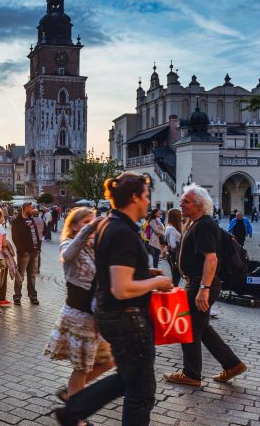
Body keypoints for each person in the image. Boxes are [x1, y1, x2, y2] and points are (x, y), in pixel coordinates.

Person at [56, 172, 173, 426]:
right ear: (134, 197)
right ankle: (73, 409)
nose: (148, 201)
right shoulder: (121, 231)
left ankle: (73, 410)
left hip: (115, 316)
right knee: (141, 393)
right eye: (146, 195)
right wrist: (158, 282)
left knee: (129, 378)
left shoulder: (110, 224)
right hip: (127, 318)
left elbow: (110, 269)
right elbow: (121, 288)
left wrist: (144, 272)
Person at [163, 184, 247, 387]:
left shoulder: (204, 225)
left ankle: (191, 374)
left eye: (185, 201)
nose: (180, 203)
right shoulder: (196, 223)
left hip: (201, 283)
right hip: (197, 282)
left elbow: (211, 259)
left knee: (190, 328)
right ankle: (232, 364)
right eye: (181, 200)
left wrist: (203, 289)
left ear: (199, 205)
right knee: (202, 327)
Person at [45, 207, 114, 423]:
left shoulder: (95, 247)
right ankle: (75, 416)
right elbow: (68, 254)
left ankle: (70, 393)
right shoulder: (69, 243)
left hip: (95, 317)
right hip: (79, 316)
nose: (90, 225)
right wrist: (91, 228)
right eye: (85, 222)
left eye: (92, 221)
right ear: (75, 226)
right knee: (82, 369)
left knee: (108, 361)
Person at [11, 202, 42, 305]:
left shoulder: (32, 220)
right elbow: (15, 238)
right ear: (25, 208)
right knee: (20, 275)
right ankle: (17, 296)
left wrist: (38, 248)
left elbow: (35, 234)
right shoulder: (17, 221)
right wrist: (22, 250)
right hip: (24, 253)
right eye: (30, 208)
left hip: (34, 251)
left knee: (32, 275)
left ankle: (33, 296)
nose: (32, 209)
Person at [164, 208, 183, 286]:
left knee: (175, 277)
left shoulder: (169, 227)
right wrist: (181, 243)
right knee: (176, 277)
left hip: (172, 254)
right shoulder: (172, 229)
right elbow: (173, 245)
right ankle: (173, 293)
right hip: (175, 255)